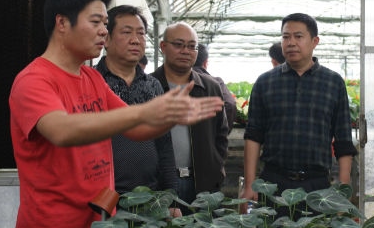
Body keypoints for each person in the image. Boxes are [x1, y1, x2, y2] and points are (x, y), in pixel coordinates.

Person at [8, 0, 223, 228]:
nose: (103, 31)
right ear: (62, 23)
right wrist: (147, 110)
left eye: (105, 24)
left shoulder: (91, 79)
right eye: (96, 22)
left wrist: (169, 116)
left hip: (98, 226)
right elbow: (61, 130)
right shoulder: (34, 80)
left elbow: (136, 129)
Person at [241, 12, 358, 216]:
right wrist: (250, 184)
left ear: (314, 41)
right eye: (286, 37)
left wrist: (343, 188)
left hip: (317, 185)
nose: (291, 43)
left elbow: (343, 140)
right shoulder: (265, 82)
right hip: (273, 183)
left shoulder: (333, 83)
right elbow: (253, 136)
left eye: (298, 36)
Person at [95, 5, 178, 195]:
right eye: (126, 32)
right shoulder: (91, 81)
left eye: (141, 33)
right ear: (106, 39)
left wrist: (171, 196)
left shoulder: (153, 85)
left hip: (149, 196)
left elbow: (164, 145)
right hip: (102, 197)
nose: (135, 40)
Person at [151, 22, 229, 215]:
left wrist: (215, 169)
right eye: (178, 44)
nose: (185, 51)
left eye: (192, 46)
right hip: (159, 185)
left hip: (202, 183)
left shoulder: (210, 87)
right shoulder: (150, 86)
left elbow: (221, 134)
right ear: (163, 46)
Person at [193, 43, 237, 132]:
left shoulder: (175, 80)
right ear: (205, 63)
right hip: (209, 136)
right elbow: (230, 105)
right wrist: (220, 133)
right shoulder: (216, 82)